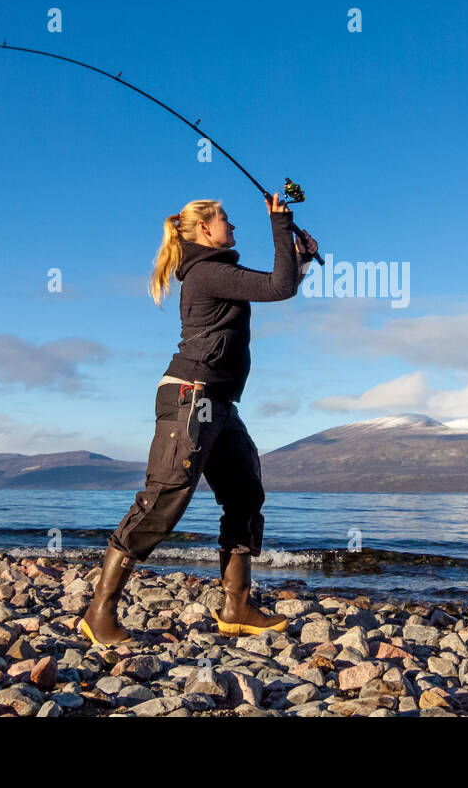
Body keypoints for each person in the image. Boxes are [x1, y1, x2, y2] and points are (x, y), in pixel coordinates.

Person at [79, 192, 317, 645]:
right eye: (226, 219)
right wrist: (281, 225)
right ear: (205, 229)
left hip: (220, 404)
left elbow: (281, 283)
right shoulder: (209, 271)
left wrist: (299, 256)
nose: (233, 226)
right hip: (191, 398)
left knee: (245, 495)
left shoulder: (218, 272)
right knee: (165, 499)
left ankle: (237, 605)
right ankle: (99, 612)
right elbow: (277, 288)